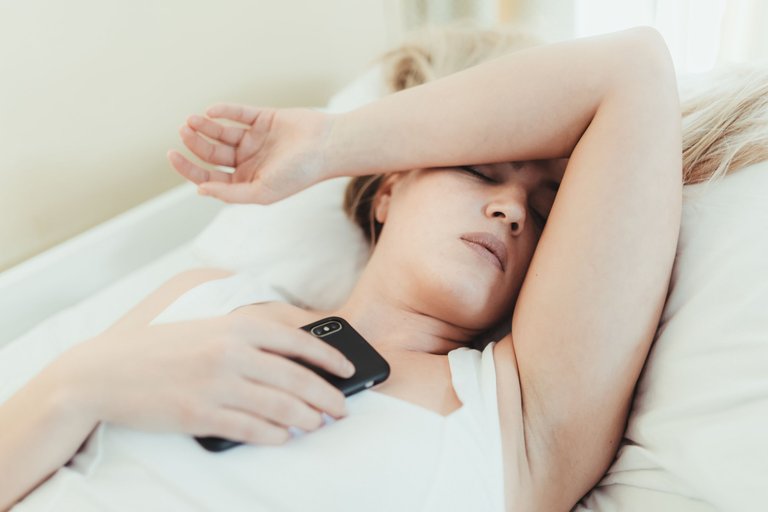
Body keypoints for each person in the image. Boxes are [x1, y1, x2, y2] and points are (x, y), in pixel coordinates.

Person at [2, 24, 756, 511]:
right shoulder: (203, 296)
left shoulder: (523, 421)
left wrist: (330, 144)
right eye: (479, 172)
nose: (513, 212)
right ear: (389, 189)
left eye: (549, 210)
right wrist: (81, 383)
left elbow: (631, 71)